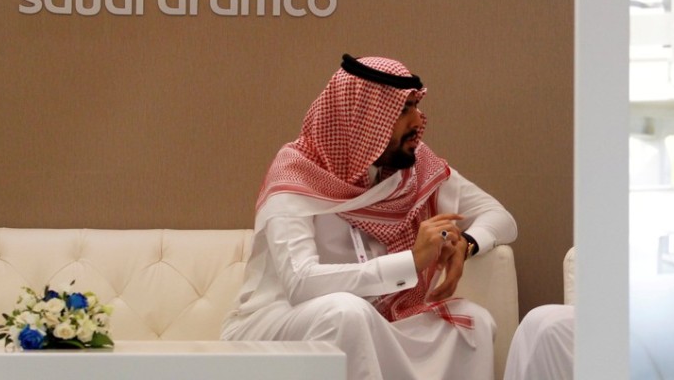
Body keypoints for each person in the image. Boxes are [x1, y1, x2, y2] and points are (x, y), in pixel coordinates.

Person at [221, 53, 518, 380]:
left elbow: (499, 217)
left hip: (378, 315)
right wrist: (411, 262)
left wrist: (465, 245)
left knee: (471, 323)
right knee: (347, 312)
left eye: (416, 106)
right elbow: (301, 283)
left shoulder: (414, 169)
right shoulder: (297, 173)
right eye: (404, 109)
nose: (419, 121)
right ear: (364, 119)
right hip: (280, 319)